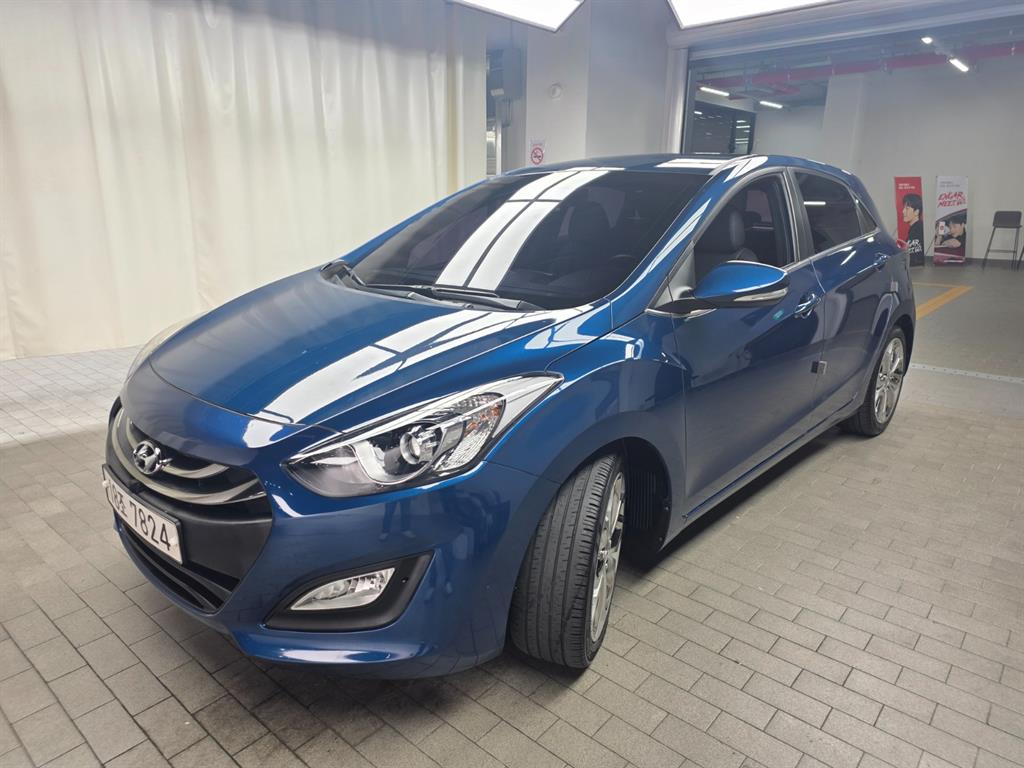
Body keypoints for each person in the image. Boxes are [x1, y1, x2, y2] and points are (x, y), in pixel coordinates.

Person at [901, 193, 924, 266]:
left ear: (916, 212)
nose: (903, 211)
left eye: (907, 208)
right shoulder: (915, 227)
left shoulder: (918, 230)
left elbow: (912, 254)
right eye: (904, 208)